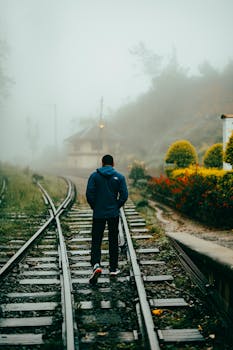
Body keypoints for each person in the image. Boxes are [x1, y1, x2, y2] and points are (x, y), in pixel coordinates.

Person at [86, 154, 128, 285]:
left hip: (98, 214)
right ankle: (113, 269)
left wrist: (95, 206)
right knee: (113, 240)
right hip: (113, 214)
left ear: (102, 163)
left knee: (96, 240)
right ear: (113, 163)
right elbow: (124, 195)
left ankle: (96, 265)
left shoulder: (94, 176)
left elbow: (89, 194)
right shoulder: (120, 177)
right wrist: (116, 206)